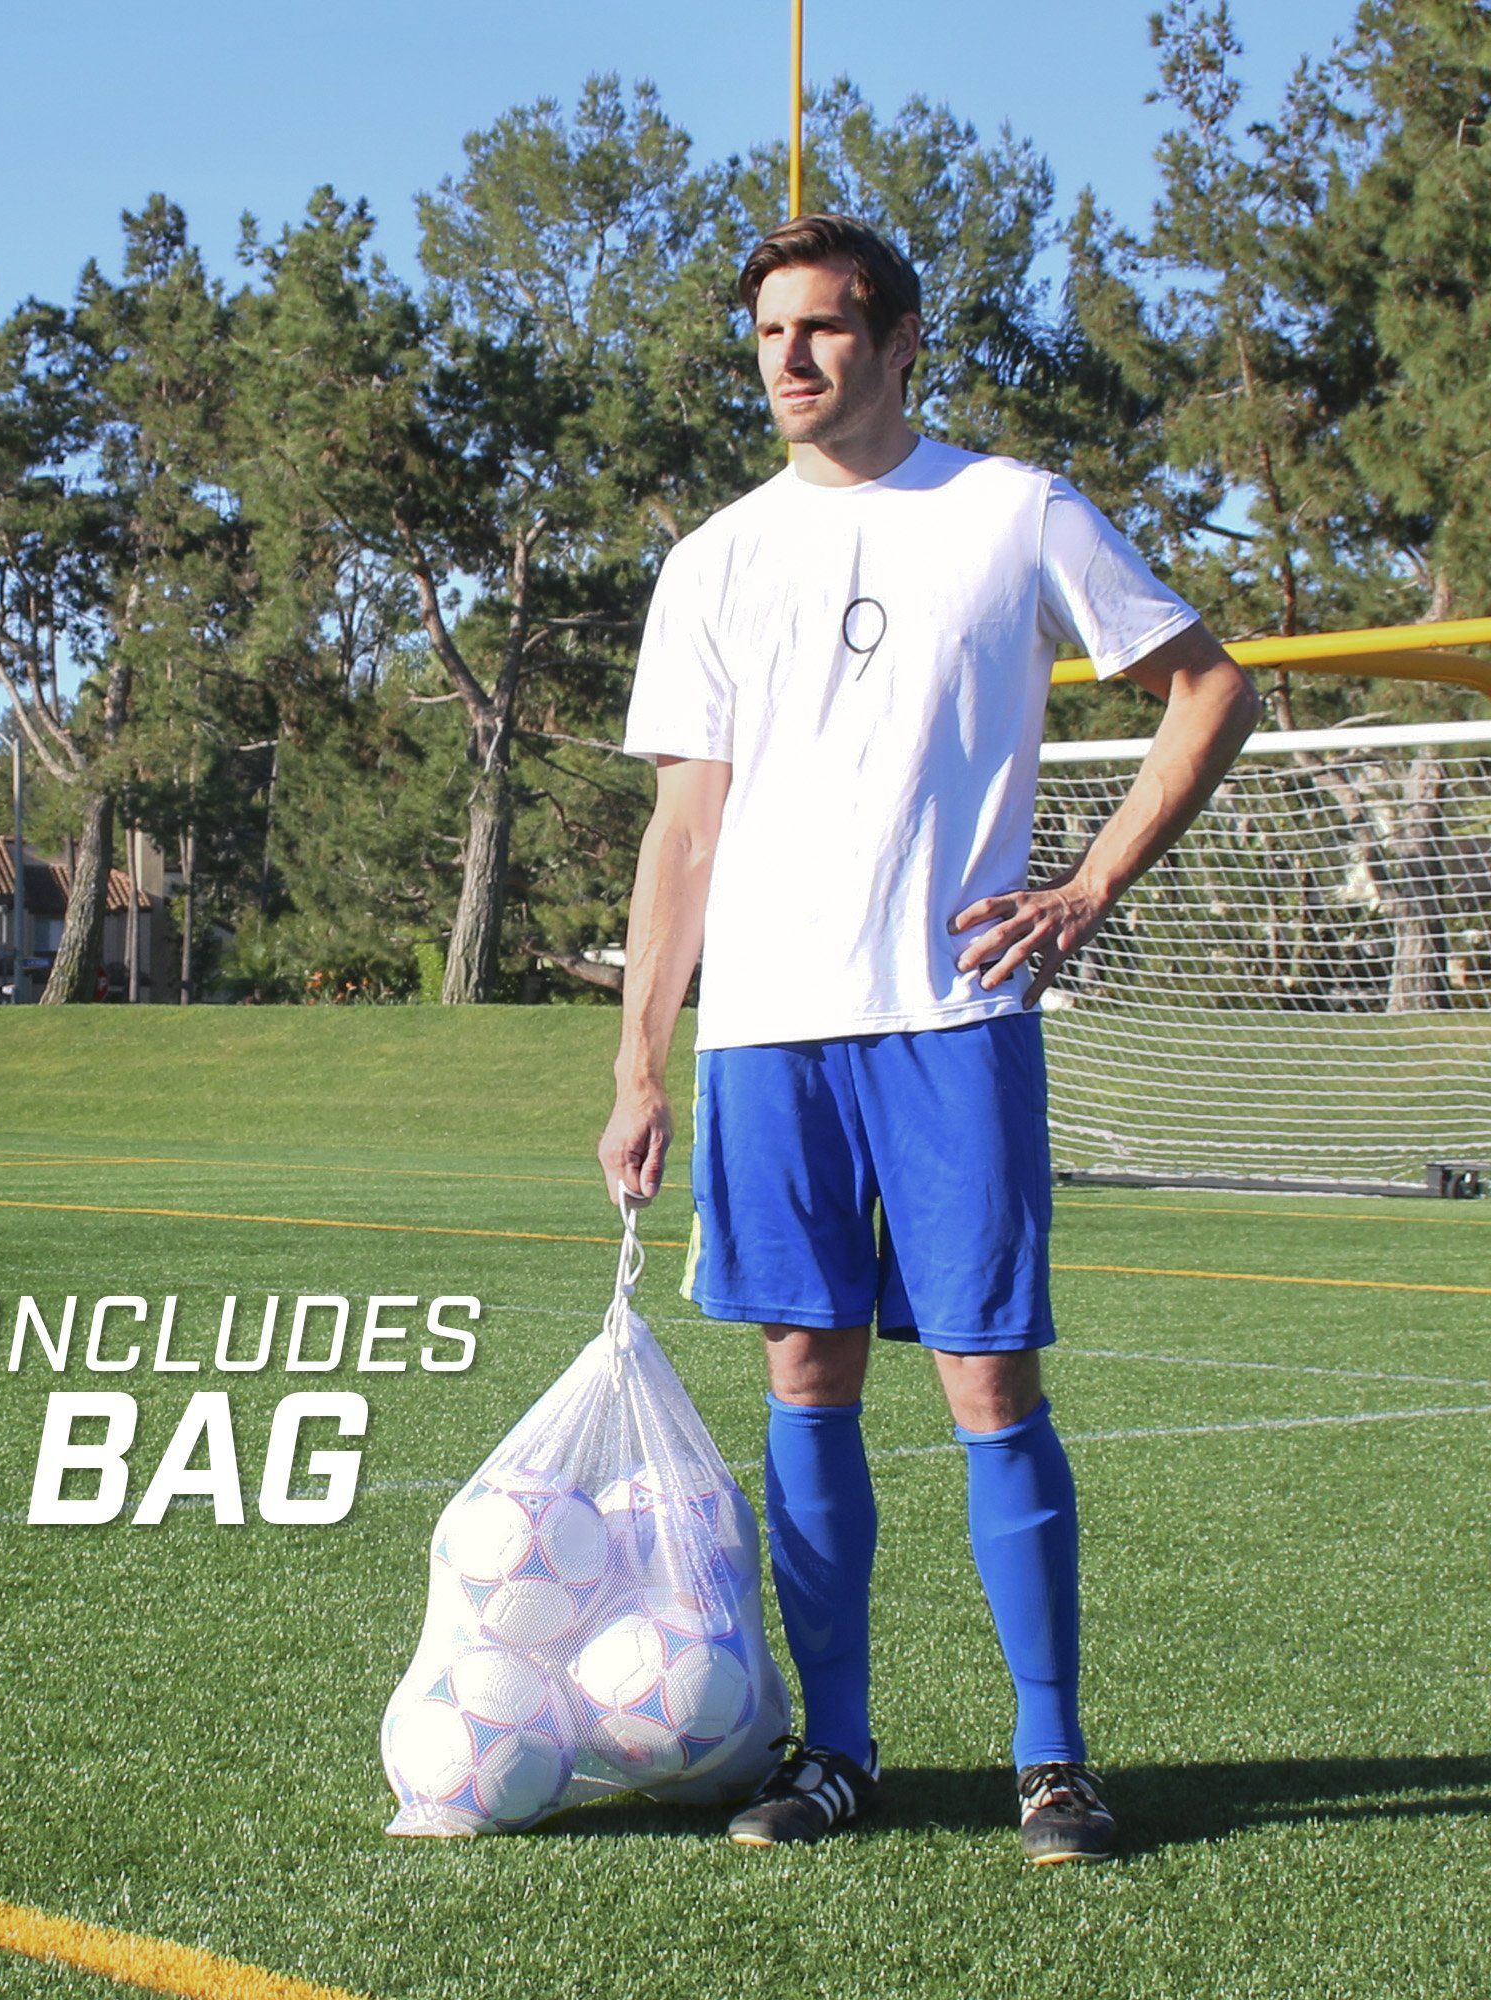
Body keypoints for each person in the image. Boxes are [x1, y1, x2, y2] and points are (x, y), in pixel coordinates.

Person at [596, 212, 1260, 1865]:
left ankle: (1054, 1763)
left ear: (897, 342)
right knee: (803, 1376)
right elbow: (685, 830)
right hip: (769, 1036)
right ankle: (839, 1753)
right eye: (768, 337)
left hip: (951, 1020)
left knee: (987, 1379)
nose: (792, 362)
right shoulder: (715, 559)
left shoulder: (1013, 512)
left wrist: (1091, 886)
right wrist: (639, 1062)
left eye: (823, 330)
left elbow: (1210, 691)